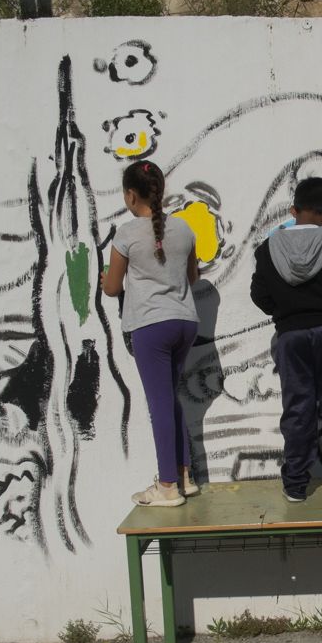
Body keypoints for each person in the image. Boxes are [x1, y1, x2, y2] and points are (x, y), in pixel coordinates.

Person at [250, 177, 322, 502]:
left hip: (291, 336)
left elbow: (258, 294)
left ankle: (295, 485)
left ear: (293, 210)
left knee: (297, 409)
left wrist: (285, 311)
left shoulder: (268, 248)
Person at [101, 159, 200, 507]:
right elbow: (192, 278)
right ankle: (184, 475)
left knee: (159, 404)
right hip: (185, 322)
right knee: (169, 397)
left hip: (150, 326)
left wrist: (107, 279)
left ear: (131, 195)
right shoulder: (184, 229)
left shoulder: (127, 234)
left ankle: (168, 486)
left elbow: (112, 288)